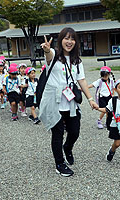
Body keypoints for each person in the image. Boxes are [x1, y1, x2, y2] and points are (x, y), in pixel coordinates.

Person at [40, 27, 98, 177]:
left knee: (74, 131)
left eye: (72, 39)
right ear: (61, 40)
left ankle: (68, 147)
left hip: (70, 100)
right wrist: (47, 49)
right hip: (55, 101)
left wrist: (90, 99)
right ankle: (59, 164)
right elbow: (48, 54)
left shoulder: (77, 60)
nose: (69, 41)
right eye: (66, 38)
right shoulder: (54, 55)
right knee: (57, 132)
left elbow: (82, 80)